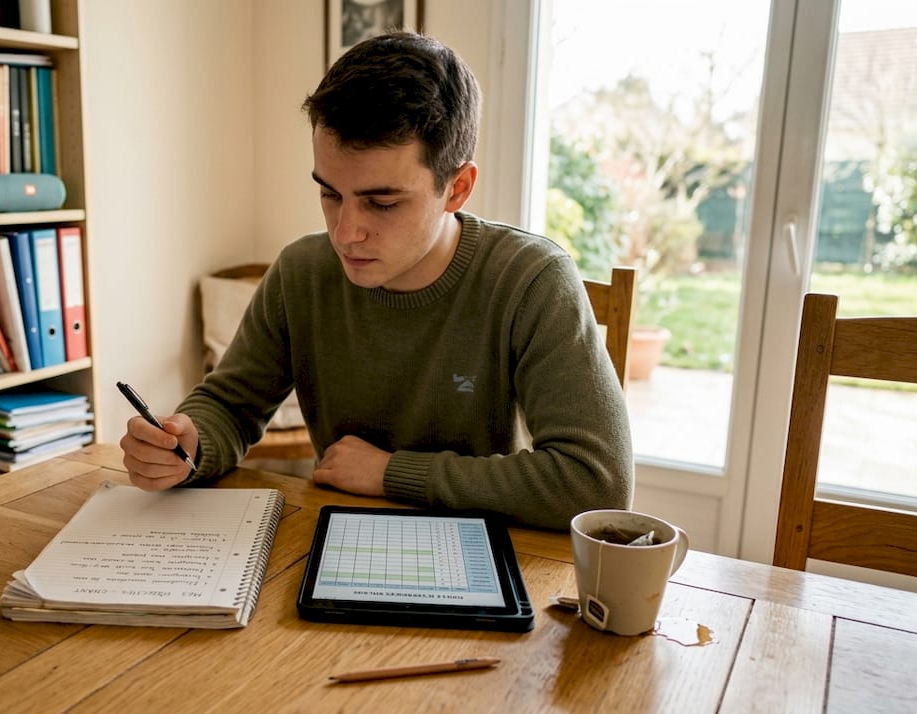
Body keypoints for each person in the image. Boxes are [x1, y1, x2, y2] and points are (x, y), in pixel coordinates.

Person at [119, 31, 633, 530]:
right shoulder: (301, 271)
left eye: (382, 202)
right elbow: (229, 406)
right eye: (329, 193)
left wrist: (392, 473)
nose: (346, 233)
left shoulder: (532, 280)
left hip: (493, 556)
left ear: (457, 188)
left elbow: (596, 482)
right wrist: (189, 445)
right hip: (338, 542)